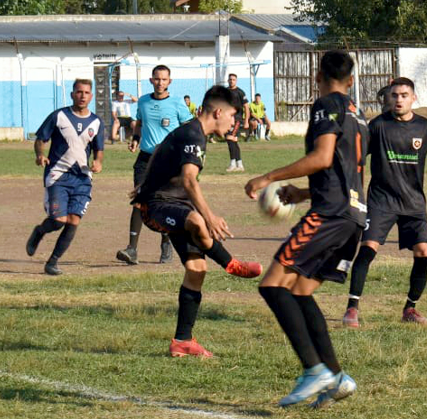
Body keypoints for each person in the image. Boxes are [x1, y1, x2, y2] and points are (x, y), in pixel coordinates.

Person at [245, 50, 367, 407]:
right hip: (354, 216)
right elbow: (345, 170)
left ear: (318, 75)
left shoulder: (326, 105)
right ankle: (336, 377)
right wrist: (302, 193)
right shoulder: (359, 115)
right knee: (299, 291)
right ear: (352, 80)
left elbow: (322, 158)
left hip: (330, 215)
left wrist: (268, 177)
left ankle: (314, 369)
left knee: (272, 285)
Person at [133, 85, 263, 358]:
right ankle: (231, 264)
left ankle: (183, 341)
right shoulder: (194, 134)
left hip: (176, 205)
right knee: (197, 220)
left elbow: (163, 154)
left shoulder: (193, 132)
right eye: (232, 116)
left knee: (197, 269)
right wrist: (210, 216)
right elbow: (189, 180)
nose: (234, 122)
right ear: (218, 112)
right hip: (157, 206)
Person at [343, 77, 427, 328]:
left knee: (424, 251)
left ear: (413, 98)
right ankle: (352, 307)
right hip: (382, 201)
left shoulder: (426, 128)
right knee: (368, 248)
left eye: (404, 95)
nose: (399, 100)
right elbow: (357, 157)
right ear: (389, 98)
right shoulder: (378, 126)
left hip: (413, 202)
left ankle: (410, 308)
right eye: (394, 95)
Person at [26, 79, 105, 276]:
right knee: (59, 220)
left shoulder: (96, 122)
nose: (82, 96)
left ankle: (52, 262)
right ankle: (40, 231)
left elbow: (99, 149)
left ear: (91, 96)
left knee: (73, 220)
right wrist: (40, 155)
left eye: (86, 92)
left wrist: (98, 162)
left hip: (82, 178)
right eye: (79, 92)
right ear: (72, 94)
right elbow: (40, 139)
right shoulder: (59, 116)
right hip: (58, 175)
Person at [116, 66, 192, 265]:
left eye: (164, 79)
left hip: (169, 160)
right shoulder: (143, 101)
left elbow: (189, 128)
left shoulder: (177, 103)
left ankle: (166, 242)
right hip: (145, 159)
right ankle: (132, 249)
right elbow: (139, 123)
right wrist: (135, 139)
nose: (160, 83)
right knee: (139, 199)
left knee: (163, 203)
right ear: (151, 80)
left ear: (169, 81)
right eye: (157, 79)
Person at [225, 73, 250, 172]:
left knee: (230, 138)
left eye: (233, 79)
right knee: (233, 141)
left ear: (236, 81)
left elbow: (246, 107)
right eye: (230, 79)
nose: (231, 81)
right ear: (228, 80)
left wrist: (246, 120)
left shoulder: (240, 92)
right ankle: (239, 164)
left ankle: (233, 164)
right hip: (227, 119)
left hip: (237, 120)